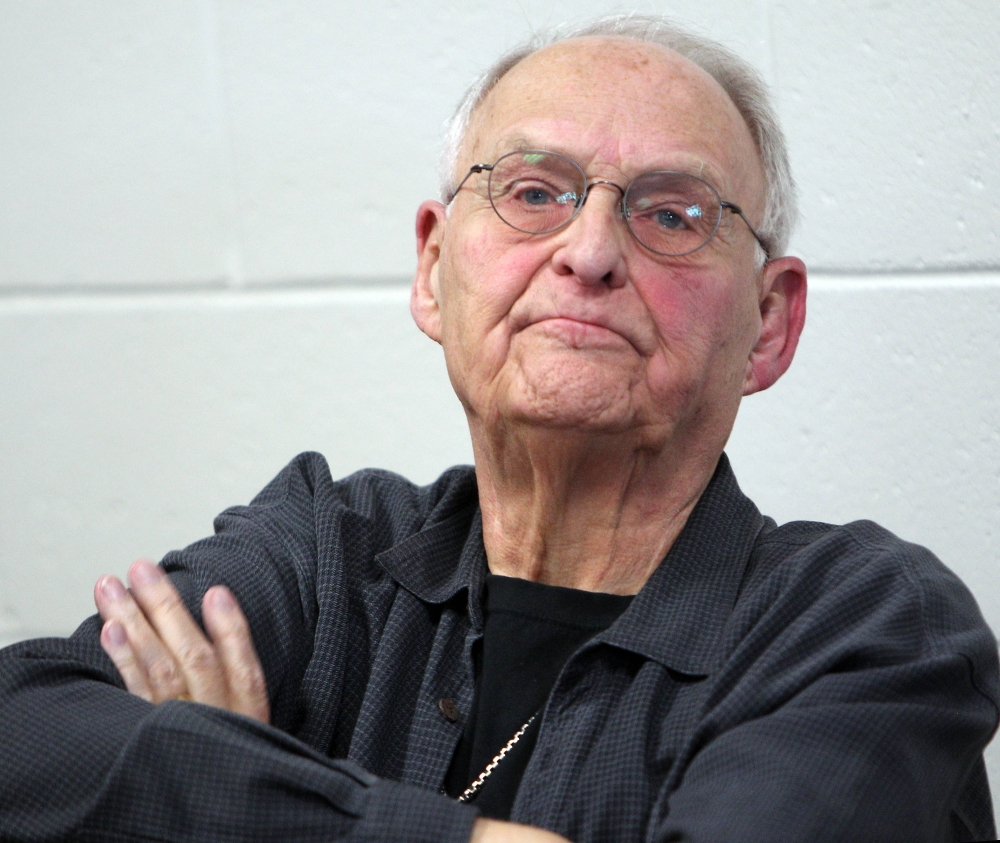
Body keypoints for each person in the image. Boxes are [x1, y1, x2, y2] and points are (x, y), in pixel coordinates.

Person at [1, 14, 997, 843]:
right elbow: (24, 733)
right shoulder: (324, 551)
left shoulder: (864, 630)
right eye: (532, 193)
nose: (591, 252)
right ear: (433, 270)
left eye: (672, 215)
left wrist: (220, 789)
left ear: (769, 323)